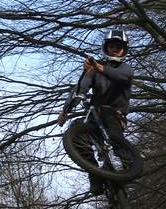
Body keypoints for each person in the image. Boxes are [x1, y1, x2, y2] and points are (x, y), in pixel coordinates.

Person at [58, 30, 135, 195]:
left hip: (115, 114)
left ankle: (128, 164)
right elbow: (80, 87)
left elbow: (121, 76)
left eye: (119, 46)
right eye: (112, 46)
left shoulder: (125, 69)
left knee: (109, 118)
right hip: (95, 115)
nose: (115, 49)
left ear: (124, 50)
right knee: (76, 130)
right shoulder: (93, 69)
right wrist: (66, 110)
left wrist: (98, 67)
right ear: (106, 48)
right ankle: (94, 174)